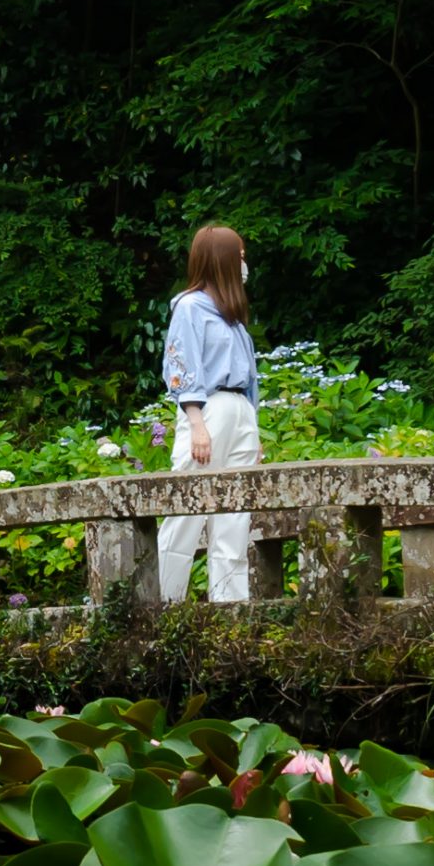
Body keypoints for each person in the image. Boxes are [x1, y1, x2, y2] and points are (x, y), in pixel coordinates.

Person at [157, 224, 262, 602]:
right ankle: (164, 607)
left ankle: (231, 609)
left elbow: (248, 375)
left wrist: (255, 432)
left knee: (234, 519)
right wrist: (196, 423)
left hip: (239, 410)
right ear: (222, 260)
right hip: (208, 409)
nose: (243, 262)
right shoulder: (189, 307)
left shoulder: (231, 315)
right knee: (185, 512)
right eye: (239, 255)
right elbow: (181, 365)